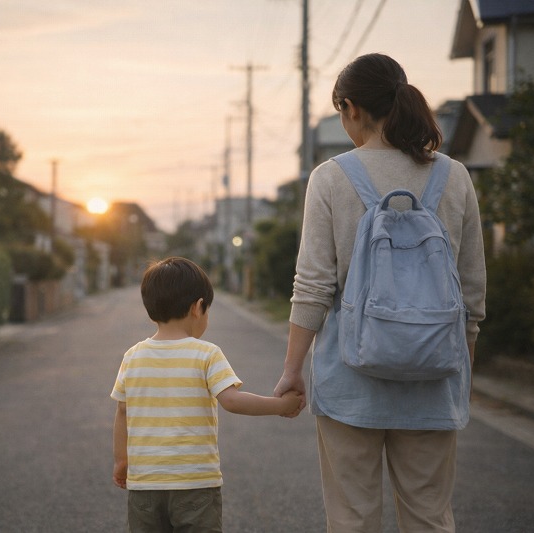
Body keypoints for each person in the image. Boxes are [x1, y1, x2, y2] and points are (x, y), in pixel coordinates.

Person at [274, 53, 486, 532]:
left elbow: (311, 286)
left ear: (350, 108)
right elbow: (472, 292)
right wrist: (461, 370)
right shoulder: (454, 177)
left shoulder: (330, 178)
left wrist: (291, 371)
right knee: (430, 518)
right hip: (433, 381)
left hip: (349, 380)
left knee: (352, 520)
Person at [112, 257, 302, 533]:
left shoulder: (132, 356)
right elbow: (232, 401)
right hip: (195, 483)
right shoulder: (207, 353)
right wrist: (281, 405)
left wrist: (121, 460)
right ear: (198, 308)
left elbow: (122, 412)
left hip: (145, 484)